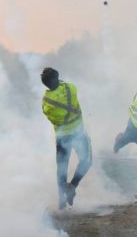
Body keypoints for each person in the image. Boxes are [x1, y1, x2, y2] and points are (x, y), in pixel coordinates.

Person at [41, 67, 92, 210]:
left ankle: (61, 200)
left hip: (62, 136)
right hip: (78, 133)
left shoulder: (46, 102)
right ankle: (72, 186)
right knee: (86, 161)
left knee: (61, 168)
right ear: (57, 78)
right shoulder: (71, 88)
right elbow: (67, 85)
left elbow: (47, 114)